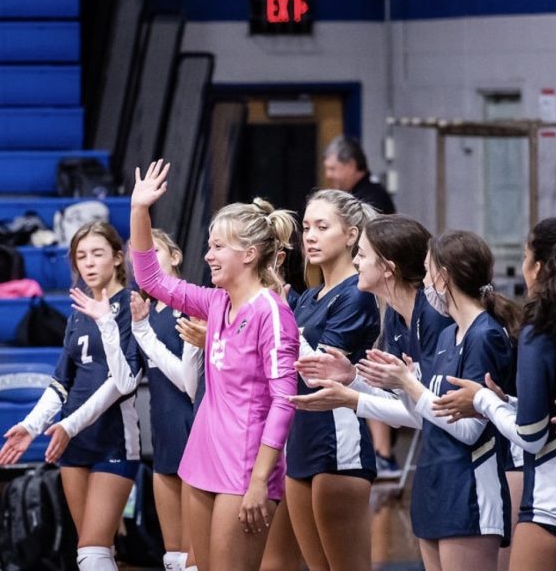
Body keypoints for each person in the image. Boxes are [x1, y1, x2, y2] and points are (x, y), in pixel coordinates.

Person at [131, 159, 299, 571]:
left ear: (250, 253)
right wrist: (139, 210)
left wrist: (261, 479)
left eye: (217, 247)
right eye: (209, 245)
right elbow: (152, 280)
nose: (207, 256)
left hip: (245, 466)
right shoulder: (215, 301)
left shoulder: (272, 313)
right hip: (202, 453)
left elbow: (284, 401)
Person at [433, 219, 556, 571]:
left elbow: (532, 437)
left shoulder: (541, 330)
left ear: (538, 268)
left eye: (525, 256)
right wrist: (505, 402)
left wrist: (484, 401)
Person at [353, 230, 518, 571]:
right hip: (433, 484)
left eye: (428, 272)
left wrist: (410, 386)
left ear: (444, 278)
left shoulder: (485, 335)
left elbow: (471, 429)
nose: (424, 282)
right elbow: (426, 413)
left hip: (469, 489)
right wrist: (399, 384)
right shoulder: (447, 334)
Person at [0, 221, 142, 571]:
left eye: (97, 254)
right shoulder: (77, 312)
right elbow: (61, 382)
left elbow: (120, 382)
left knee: (93, 549)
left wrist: (69, 426)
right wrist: (32, 426)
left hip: (115, 442)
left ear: (118, 258)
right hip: (73, 442)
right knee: (92, 551)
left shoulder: (132, 305)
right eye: (81, 256)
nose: (89, 263)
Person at [284, 189, 379, 571]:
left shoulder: (356, 295)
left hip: (338, 443)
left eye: (322, 227)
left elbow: (319, 368)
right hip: (300, 438)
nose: (309, 236)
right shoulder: (308, 297)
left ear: (352, 234)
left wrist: (278, 317)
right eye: (306, 227)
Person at [322, 135, 397, 476]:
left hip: (376, 297)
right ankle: (382, 453)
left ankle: (383, 453)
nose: (331, 175)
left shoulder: (373, 198)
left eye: (334, 168)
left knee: (370, 366)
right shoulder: (319, 294)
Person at [129, 228, 201, 571]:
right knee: (171, 554)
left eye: (153, 251)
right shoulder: (145, 310)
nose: (144, 260)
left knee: (193, 552)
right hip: (162, 430)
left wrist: (145, 336)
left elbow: (189, 384)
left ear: (175, 256)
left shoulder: (192, 303)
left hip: (193, 424)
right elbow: (126, 378)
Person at [323, 135, 395, 216]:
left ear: (351, 165)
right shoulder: (357, 193)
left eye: (332, 169)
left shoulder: (371, 199)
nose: (328, 175)